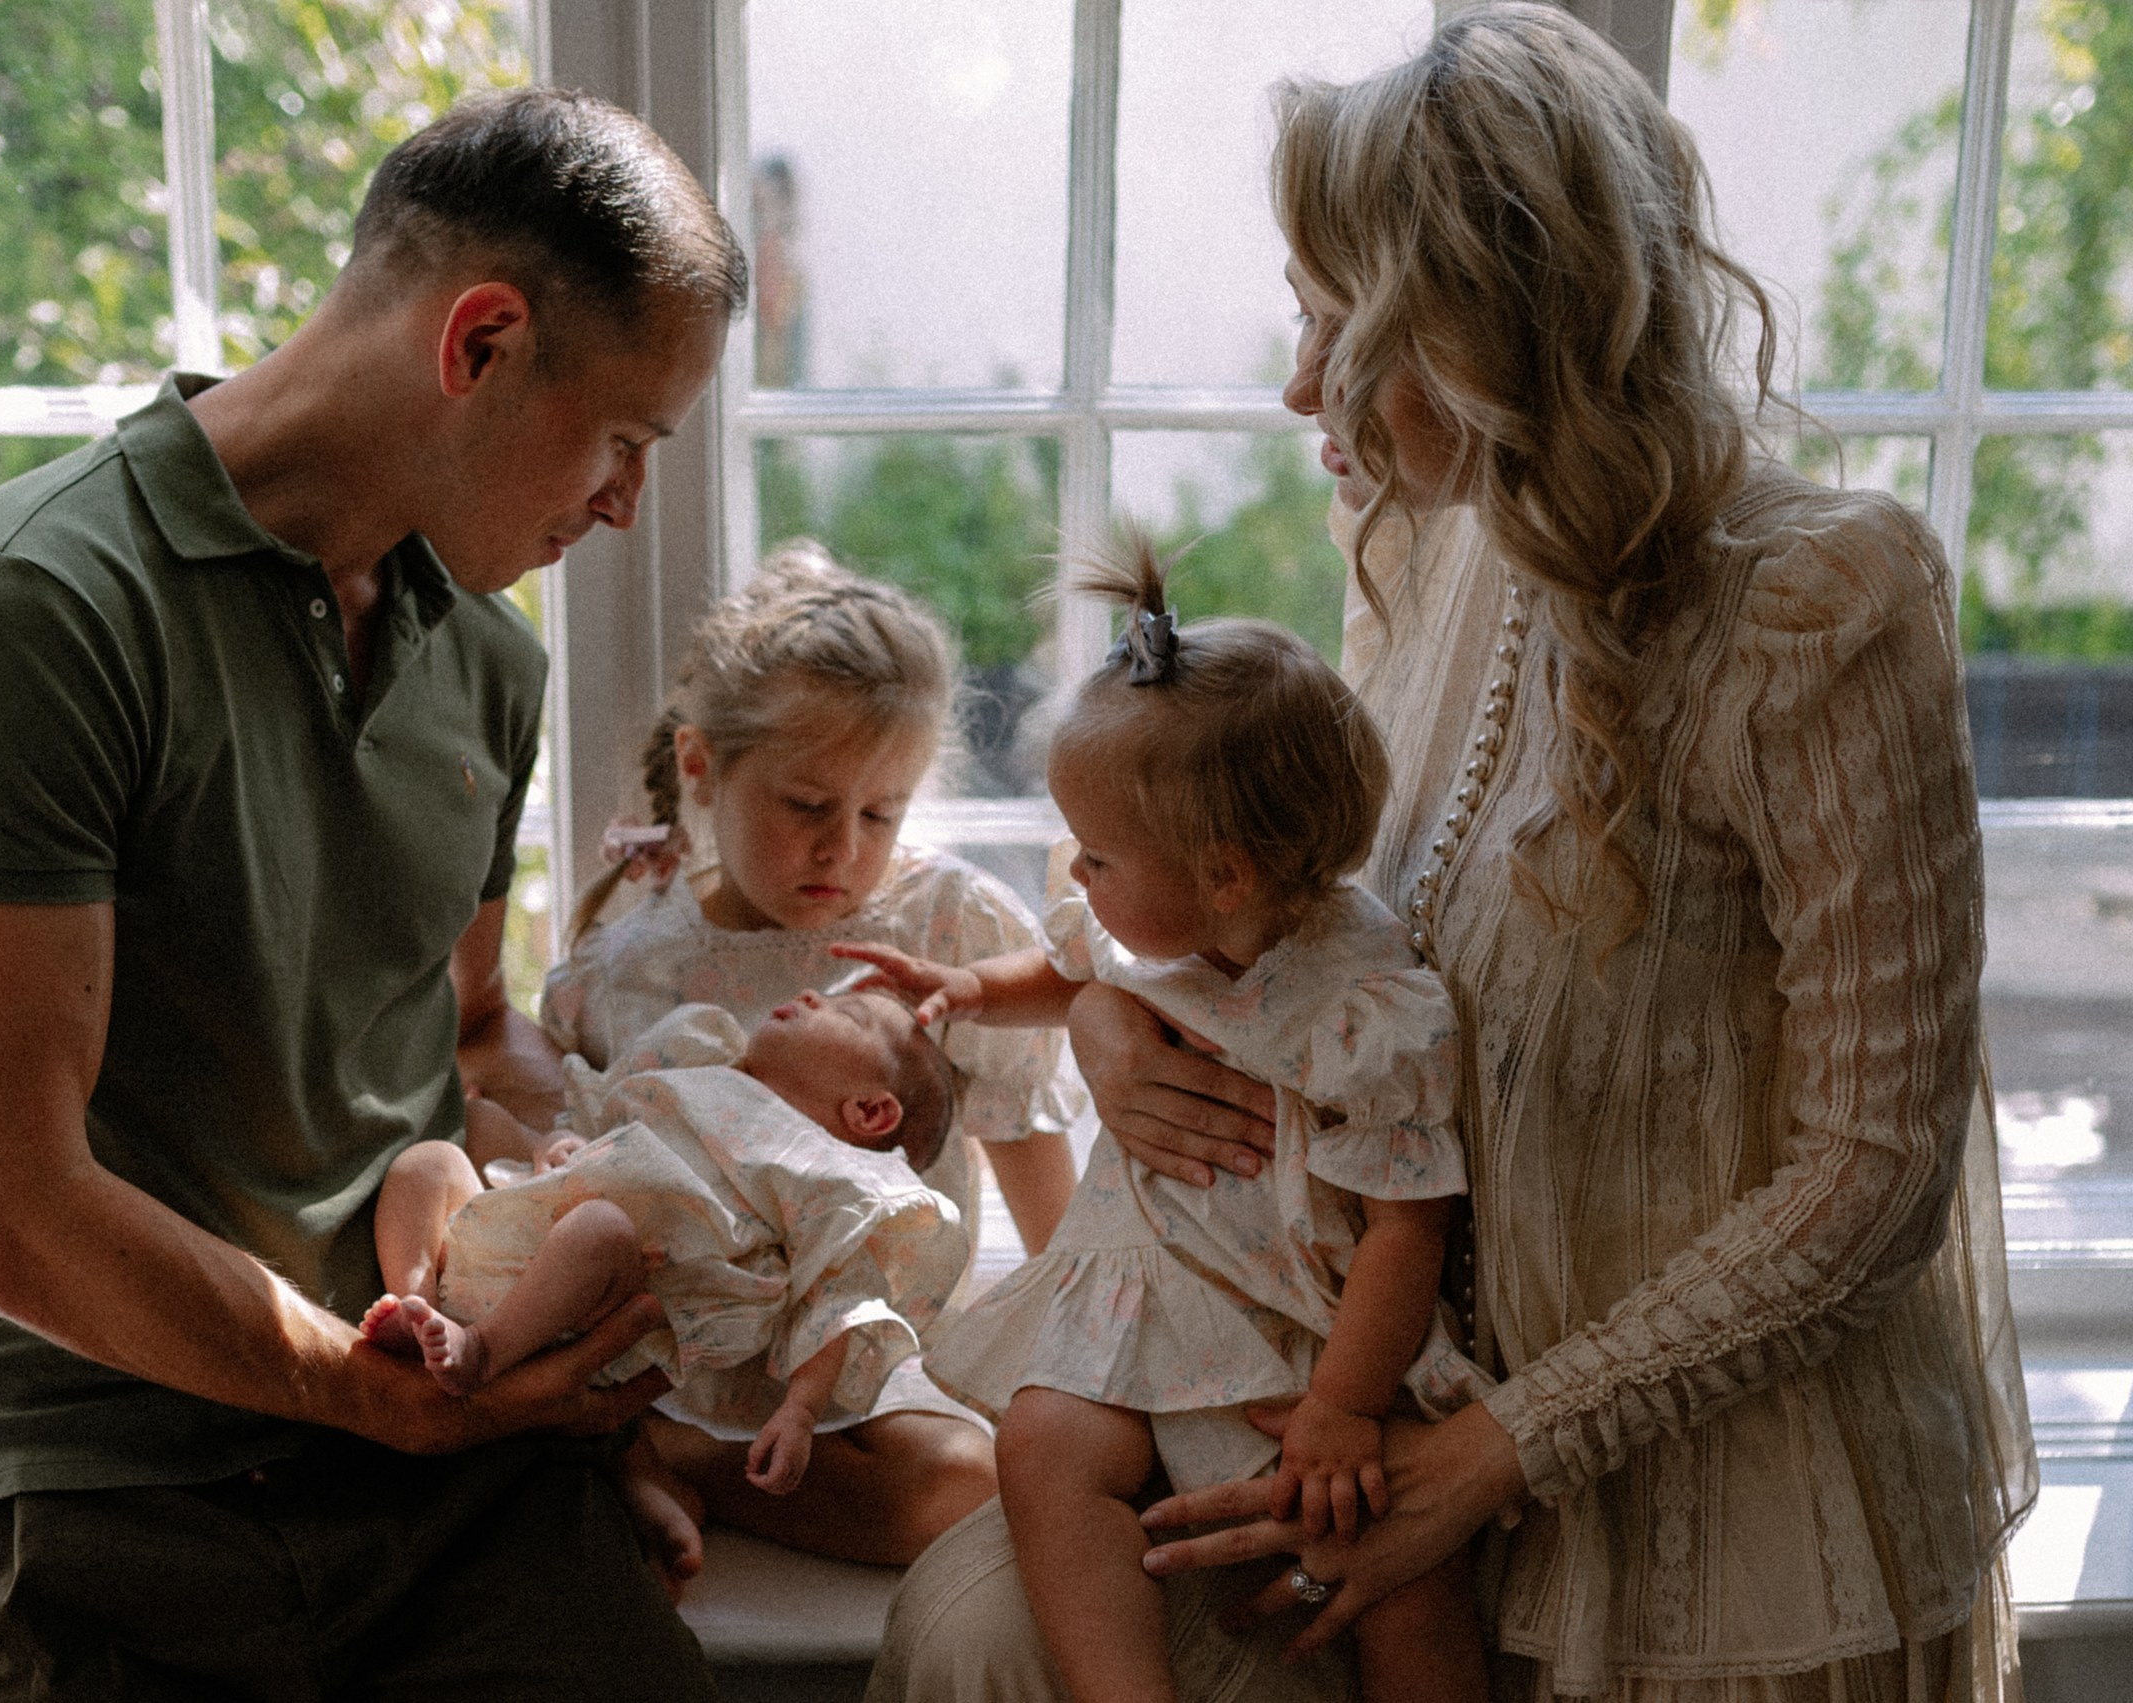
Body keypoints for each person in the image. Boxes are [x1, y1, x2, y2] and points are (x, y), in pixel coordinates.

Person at [866, 8, 2034, 1703]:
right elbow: (1255, 872)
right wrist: (1115, 1016)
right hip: (1387, 1449)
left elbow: (1876, 1172)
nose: (1297, 383)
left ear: (1487, 328)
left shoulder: (1818, 604)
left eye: (1336, 325)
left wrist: (1493, 1450)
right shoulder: (1427, 529)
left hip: (1713, 1537)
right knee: (978, 1623)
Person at [0, 87, 747, 1701]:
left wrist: (630, 1231)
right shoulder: (25, 611)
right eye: (626, 439)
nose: (625, 502)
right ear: (480, 341)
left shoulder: (489, 658)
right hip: (88, 1473)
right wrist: (361, 1386)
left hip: (436, 1458)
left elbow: (458, 1032)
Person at [844, 546, 1491, 1703]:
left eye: (1096, 856)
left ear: (1226, 875)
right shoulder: (1171, 919)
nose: (1077, 874)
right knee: (1042, 1441)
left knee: (1405, 1583)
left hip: (1301, 1341)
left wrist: (1344, 1406)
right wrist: (970, 988)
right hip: (1142, 1309)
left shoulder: (1359, 1008)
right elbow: (1071, 966)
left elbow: (1408, 1225)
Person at [534, 543, 1085, 1563]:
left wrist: (1083, 1368)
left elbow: (1039, 1181)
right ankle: (663, 1440)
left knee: (969, 1482)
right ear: (701, 767)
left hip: (871, 1354)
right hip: (691, 1357)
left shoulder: (947, 928)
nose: (844, 849)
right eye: (806, 806)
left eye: (881, 812)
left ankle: (690, 1465)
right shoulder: (629, 972)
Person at [362, 993, 963, 1572]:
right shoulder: (702, 1062)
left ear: (870, 1111)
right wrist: (555, 1143)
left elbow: (836, 1299)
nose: (812, 997)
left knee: (600, 1228)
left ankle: (482, 1349)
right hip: (527, 1213)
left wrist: (800, 1411)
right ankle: (420, 1306)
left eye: (847, 1014)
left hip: (606, 1285)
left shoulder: (827, 1174)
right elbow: (598, 1117)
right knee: (444, 1148)